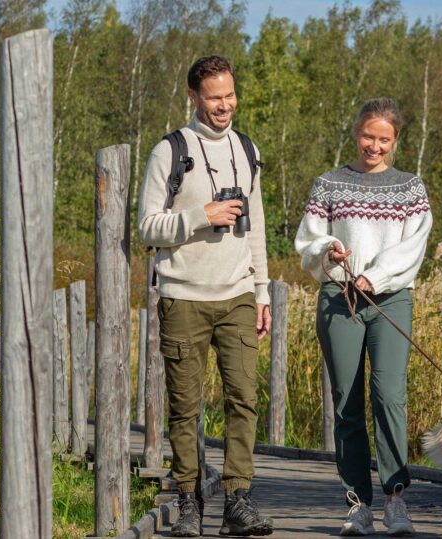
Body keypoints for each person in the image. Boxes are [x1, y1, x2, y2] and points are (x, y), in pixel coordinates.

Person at [138, 55, 273, 538]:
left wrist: (262, 292)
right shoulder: (168, 151)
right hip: (183, 298)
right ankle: (189, 499)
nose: (225, 105)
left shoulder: (247, 147)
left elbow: (254, 228)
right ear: (193, 97)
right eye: (214, 97)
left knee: (244, 397)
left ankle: (238, 498)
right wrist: (201, 214)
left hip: (237, 293)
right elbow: (147, 227)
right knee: (185, 405)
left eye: (230, 95)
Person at [294, 97, 433, 536]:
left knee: (389, 396)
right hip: (339, 298)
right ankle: (357, 504)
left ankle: (395, 497)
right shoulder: (328, 184)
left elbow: (413, 246)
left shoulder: (410, 188)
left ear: (395, 141)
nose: (375, 146)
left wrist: (374, 276)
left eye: (384, 139)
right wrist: (327, 250)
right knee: (347, 404)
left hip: (390, 299)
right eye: (368, 136)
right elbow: (308, 242)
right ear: (357, 133)